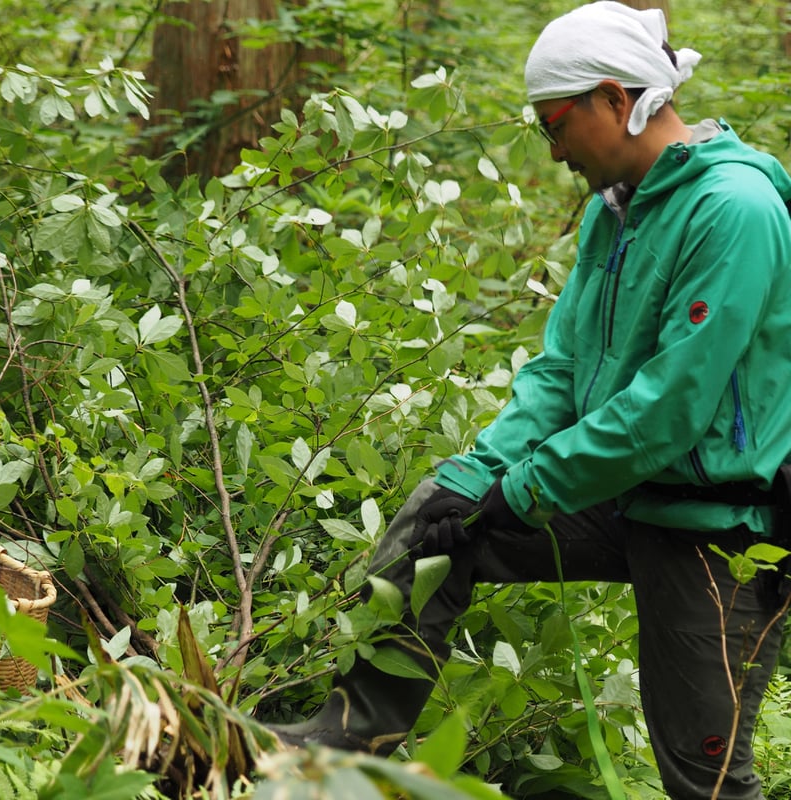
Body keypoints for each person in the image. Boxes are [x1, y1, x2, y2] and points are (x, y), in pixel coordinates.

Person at [266, 2, 791, 797]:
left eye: (554, 124)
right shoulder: (613, 211)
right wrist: (477, 477)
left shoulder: (734, 210)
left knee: (704, 776)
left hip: (719, 528)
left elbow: (667, 409)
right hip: (630, 493)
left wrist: (527, 488)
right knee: (435, 530)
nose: (551, 152)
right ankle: (346, 745)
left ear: (616, 99)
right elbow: (561, 372)